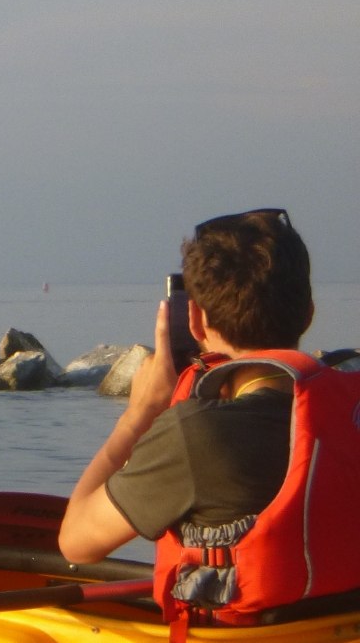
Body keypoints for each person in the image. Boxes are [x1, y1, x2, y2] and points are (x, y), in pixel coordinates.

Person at [60, 208, 360, 631]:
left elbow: (76, 541)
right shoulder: (352, 410)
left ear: (196, 320)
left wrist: (138, 414)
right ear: (309, 312)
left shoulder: (197, 434)